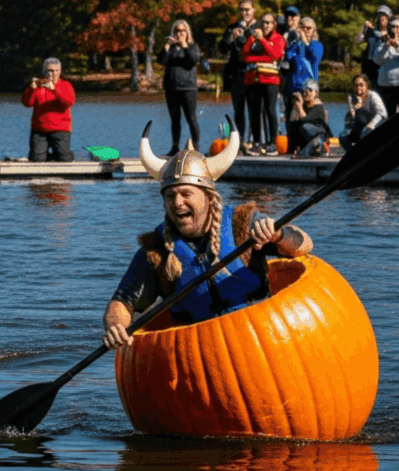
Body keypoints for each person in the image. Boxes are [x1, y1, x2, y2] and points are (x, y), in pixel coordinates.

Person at [102, 129, 312, 348]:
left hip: (262, 338)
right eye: (170, 196)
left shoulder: (242, 223)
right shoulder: (157, 251)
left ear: (209, 198)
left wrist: (279, 235)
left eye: (186, 194)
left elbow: (304, 244)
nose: (177, 203)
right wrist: (115, 326)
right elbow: (122, 302)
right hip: (200, 350)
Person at [241, 13, 285, 155]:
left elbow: (275, 55)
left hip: (270, 80)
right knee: (254, 112)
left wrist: (262, 41)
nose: (265, 25)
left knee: (270, 110)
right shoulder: (252, 37)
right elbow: (245, 56)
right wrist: (253, 39)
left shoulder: (278, 38)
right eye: (263, 22)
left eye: (268, 22)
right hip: (253, 80)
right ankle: (256, 143)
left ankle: (272, 144)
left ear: (274, 24)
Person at [157, 20, 201, 155]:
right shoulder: (171, 48)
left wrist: (185, 46)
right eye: (177, 31)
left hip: (188, 88)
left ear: (187, 32)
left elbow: (194, 60)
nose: (179, 33)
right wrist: (166, 46)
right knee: (175, 119)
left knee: (191, 118)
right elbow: (161, 60)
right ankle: (175, 147)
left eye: (182, 30)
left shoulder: (193, 46)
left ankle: (196, 147)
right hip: (171, 88)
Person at [21, 57, 76, 162]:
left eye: (55, 70)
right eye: (49, 70)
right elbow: (27, 103)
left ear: (60, 71)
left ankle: (65, 155)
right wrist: (31, 89)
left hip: (60, 128)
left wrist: (54, 90)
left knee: (64, 158)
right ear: (44, 71)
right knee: (37, 159)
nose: (52, 73)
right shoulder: (38, 86)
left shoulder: (66, 85)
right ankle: (42, 155)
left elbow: (69, 102)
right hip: (40, 129)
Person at [218, 0, 257, 147]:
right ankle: (238, 142)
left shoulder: (259, 27)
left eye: (247, 9)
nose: (244, 13)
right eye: (242, 10)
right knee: (238, 110)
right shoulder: (232, 28)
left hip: (254, 73)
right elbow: (222, 48)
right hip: (237, 74)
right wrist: (231, 38)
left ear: (253, 10)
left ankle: (254, 142)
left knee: (254, 110)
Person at [341, 74, 387, 152]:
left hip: (376, 123)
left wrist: (372, 124)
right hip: (361, 125)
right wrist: (354, 109)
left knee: (365, 132)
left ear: (366, 85)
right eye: (356, 85)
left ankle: (370, 150)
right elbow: (350, 120)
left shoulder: (373, 95)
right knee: (343, 137)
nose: (358, 87)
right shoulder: (351, 97)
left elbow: (382, 114)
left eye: (361, 85)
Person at [287, 80, 332, 157]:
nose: (307, 93)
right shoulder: (304, 105)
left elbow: (305, 120)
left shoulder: (318, 107)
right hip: (308, 137)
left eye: (310, 90)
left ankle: (320, 143)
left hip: (319, 133)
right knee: (294, 127)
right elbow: (292, 121)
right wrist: (295, 106)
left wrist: (300, 107)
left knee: (305, 127)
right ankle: (312, 148)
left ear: (316, 93)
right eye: (305, 91)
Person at [284, 16, 323, 97]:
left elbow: (314, 56)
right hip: (293, 87)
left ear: (314, 31)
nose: (305, 31)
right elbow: (287, 58)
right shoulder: (295, 45)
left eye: (308, 28)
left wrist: (304, 41)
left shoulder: (317, 45)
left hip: (310, 87)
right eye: (302, 28)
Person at [356, 5, 393, 86]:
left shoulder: (390, 34)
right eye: (381, 18)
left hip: (381, 66)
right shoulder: (371, 31)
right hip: (368, 64)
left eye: (385, 18)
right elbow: (357, 40)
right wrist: (363, 28)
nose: (383, 20)